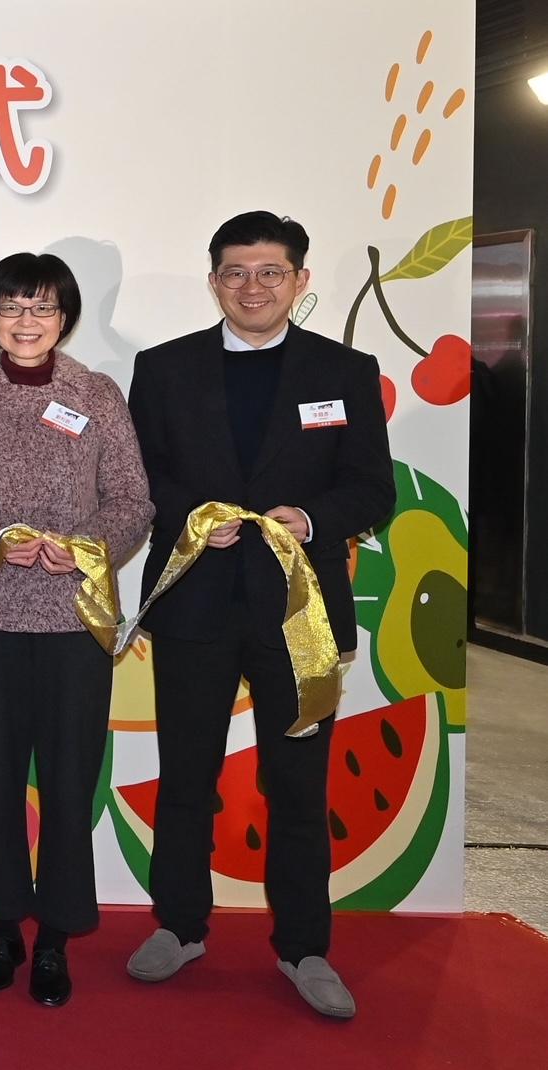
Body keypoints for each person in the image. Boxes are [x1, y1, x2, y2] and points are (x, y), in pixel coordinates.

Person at [124, 212, 394, 1018]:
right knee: (186, 780)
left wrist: (309, 520)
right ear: (214, 283)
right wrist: (198, 515)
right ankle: (179, 925)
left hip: (299, 612)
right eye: (236, 273)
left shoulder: (345, 370)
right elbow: (143, 480)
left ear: (300, 282)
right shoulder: (164, 369)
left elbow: (371, 487)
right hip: (195, 606)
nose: (253, 287)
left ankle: (306, 947)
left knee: (301, 785)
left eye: (270, 272)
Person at [0, 254, 151, 1007]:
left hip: (74, 615)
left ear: (64, 318)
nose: (27, 322)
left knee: (66, 777)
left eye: (42, 309)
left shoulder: (97, 394)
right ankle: (3, 929)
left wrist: (85, 549)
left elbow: (132, 502)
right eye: (12, 308)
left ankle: (55, 937)